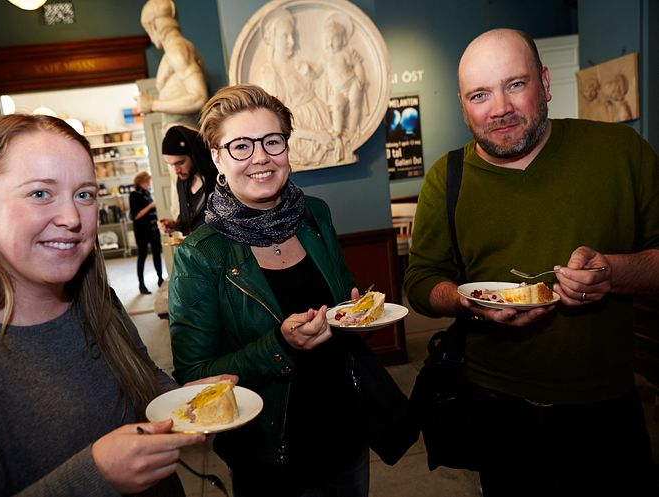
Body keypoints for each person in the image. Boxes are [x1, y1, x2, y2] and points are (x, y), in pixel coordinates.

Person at [404, 28, 659, 496]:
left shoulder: (621, 153)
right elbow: (421, 281)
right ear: (463, 104)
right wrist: (469, 302)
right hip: (495, 407)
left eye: (515, 84)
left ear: (544, 82)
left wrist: (613, 273)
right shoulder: (447, 177)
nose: (499, 108)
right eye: (480, 94)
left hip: (605, 406)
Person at [0, 114, 221, 496]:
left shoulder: (94, 297)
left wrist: (183, 400)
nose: (73, 218)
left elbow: (141, 376)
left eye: (84, 194)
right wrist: (95, 476)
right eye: (40, 193)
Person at [168, 84, 384, 497]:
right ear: (216, 158)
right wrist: (281, 345)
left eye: (272, 141)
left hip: (346, 431)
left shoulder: (315, 215)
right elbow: (196, 377)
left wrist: (357, 317)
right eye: (241, 146)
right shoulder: (200, 255)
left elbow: (344, 307)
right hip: (270, 455)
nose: (261, 157)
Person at [258, 7, 339, 166]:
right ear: (273, 39)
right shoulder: (271, 74)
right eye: (285, 36)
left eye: (292, 36)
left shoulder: (299, 64)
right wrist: (317, 136)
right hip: (306, 140)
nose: (291, 42)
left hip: (324, 129)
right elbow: (276, 124)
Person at [138, 0, 208, 115]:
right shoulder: (177, 49)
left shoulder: (177, 50)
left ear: (154, 26)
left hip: (184, 130)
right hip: (179, 129)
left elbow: (199, 98)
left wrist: (152, 104)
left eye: (147, 31)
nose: (150, 38)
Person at [157, 124, 217, 235]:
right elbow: (188, 222)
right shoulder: (182, 182)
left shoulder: (218, 181)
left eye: (180, 163)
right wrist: (175, 225)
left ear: (194, 155)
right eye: (171, 165)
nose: (176, 171)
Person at [321, 13, 367, 139]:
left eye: (334, 39)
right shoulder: (325, 58)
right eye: (327, 39)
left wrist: (360, 78)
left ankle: (351, 129)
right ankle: (337, 130)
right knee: (337, 106)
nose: (330, 43)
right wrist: (307, 70)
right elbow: (317, 70)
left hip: (352, 83)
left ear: (343, 39)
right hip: (338, 90)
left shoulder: (346, 53)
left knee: (355, 105)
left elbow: (357, 64)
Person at [129, 170, 163, 294]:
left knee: (157, 253)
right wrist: (151, 206)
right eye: (147, 182)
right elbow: (136, 216)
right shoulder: (134, 195)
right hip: (142, 231)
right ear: (141, 182)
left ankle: (160, 279)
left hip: (152, 229)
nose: (148, 184)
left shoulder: (147, 193)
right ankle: (141, 284)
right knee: (142, 256)